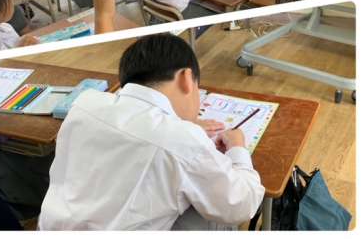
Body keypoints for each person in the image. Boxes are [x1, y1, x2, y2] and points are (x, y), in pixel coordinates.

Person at [39, 33, 264, 230]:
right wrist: (237, 149)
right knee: (209, 212)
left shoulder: (85, 104)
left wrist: (183, 126)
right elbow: (241, 205)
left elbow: (137, 132)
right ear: (186, 78)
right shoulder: (183, 140)